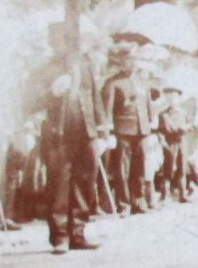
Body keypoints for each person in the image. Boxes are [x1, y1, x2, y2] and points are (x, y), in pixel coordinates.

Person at [31, 22, 109, 253]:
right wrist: (52, 92)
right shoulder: (45, 69)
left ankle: (78, 232)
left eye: (68, 40)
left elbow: (94, 97)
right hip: (58, 133)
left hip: (86, 131)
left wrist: (103, 130)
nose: (63, 45)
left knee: (85, 181)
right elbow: (30, 102)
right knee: (59, 184)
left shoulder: (84, 65)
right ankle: (60, 236)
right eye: (58, 41)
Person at [101, 41, 154, 215]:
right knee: (122, 169)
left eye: (134, 59)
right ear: (121, 61)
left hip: (141, 128)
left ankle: (138, 200)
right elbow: (107, 110)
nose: (132, 62)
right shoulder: (113, 83)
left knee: (139, 167)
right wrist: (108, 132)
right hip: (123, 129)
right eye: (128, 59)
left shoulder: (142, 80)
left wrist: (151, 121)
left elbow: (147, 103)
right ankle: (123, 204)